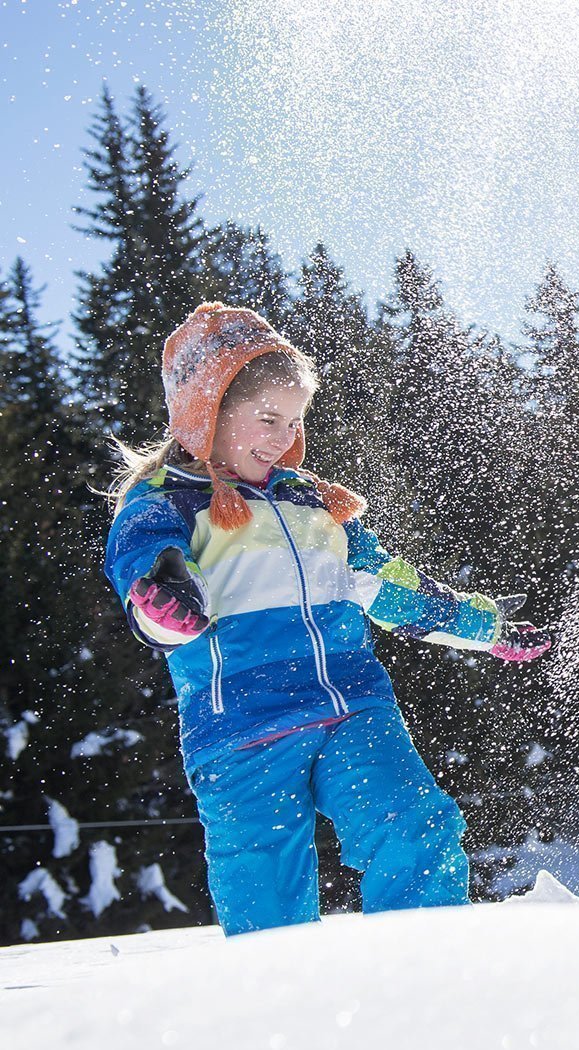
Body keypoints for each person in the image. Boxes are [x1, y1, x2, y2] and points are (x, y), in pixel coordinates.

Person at [102, 302, 553, 936]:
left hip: (353, 707)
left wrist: (488, 627)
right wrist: (164, 589)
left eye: (294, 422)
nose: (283, 439)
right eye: (267, 419)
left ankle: (432, 980)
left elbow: (393, 589)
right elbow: (144, 571)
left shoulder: (318, 506)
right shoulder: (167, 505)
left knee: (415, 824)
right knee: (264, 886)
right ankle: (280, 1020)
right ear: (208, 412)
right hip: (244, 728)